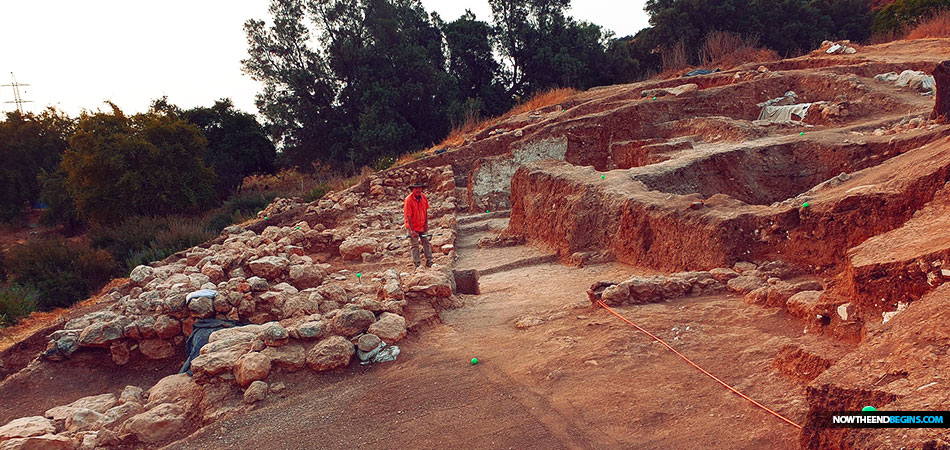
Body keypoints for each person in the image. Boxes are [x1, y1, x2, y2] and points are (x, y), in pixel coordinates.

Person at [404, 182, 433, 268]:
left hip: (422, 225)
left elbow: (425, 211)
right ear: (412, 189)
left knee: (426, 242)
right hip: (412, 226)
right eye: (416, 188)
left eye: (419, 188)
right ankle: (417, 265)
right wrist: (412, 230)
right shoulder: (408, 200)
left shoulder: (423, 197)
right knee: (414, 245)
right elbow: (408, 216)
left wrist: (426, 224)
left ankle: (429, 261)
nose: (418, 190)